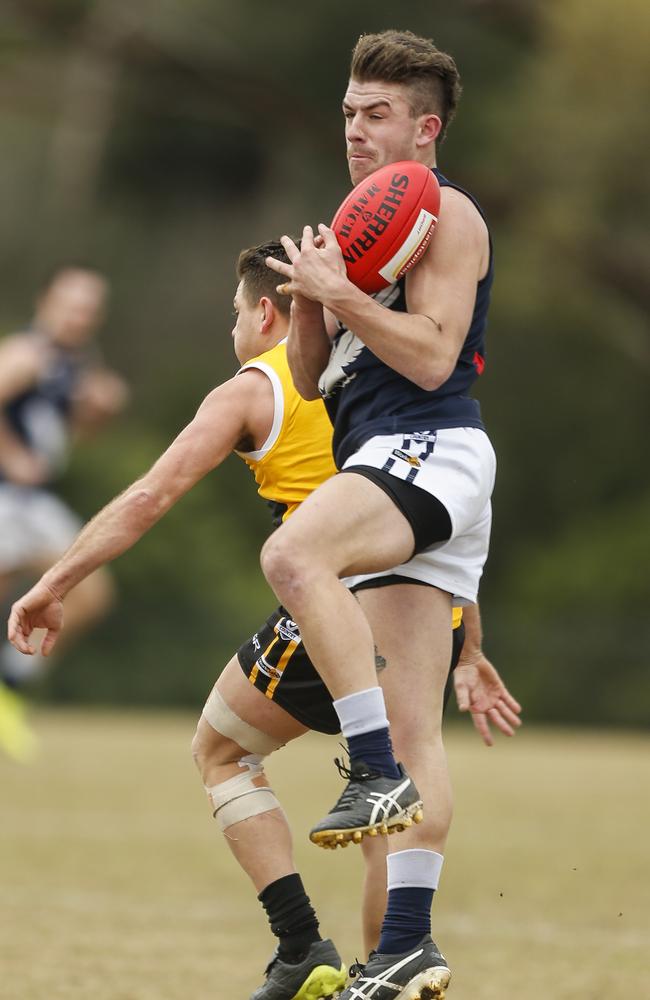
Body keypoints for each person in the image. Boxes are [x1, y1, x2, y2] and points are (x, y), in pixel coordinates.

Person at [7, 241, 519, 999]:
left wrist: (54, 581)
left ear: (266, 311)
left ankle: (300, 945)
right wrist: (470, 643)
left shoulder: (255, 387)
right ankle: (393, 964)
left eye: (234, 315)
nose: (233, 332)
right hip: (424, 603)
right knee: (398, 795)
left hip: (336, 602)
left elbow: (150, 496)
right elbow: (431, 505)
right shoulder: (374, 369)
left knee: (220, 750)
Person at [263, 28, 504, 997]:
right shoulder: (355, 220)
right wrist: (315, 303)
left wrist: (342, 294)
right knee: (419, 733)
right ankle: (405, 942)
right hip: (392, 455)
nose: (355, 132)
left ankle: (367, 767)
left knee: (291, 556)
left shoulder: (446, 213)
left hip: (430, 444)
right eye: (348, 115)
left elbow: (432, 356)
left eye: (375, 116)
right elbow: (312, 380)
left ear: (424, 126)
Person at [0, 266, 128, 760]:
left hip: (36, 503)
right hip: (9, 497)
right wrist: (11, 455)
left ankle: (10, 683)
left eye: (90, 309)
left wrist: (98, 411)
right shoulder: (25, 353)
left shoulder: (73, 365)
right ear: (45, 302)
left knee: (90, 594)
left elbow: (70, 434)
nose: (81, 317)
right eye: (72, 306)